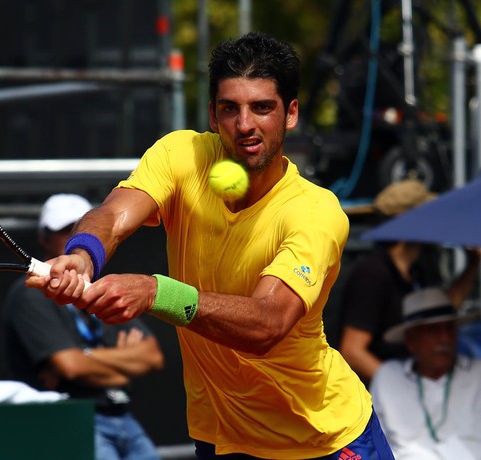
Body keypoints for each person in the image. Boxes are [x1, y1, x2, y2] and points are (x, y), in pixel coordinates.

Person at [26, 32, 394, 459]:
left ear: (290, 114)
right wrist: (82, 254)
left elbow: (267, 324)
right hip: (223, 437)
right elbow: (113, 213)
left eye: (262, 108)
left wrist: (156, 291)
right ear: (212, 114)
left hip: (324, 439)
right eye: (229, 109)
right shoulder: (180, 154)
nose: (244, 125)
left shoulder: (315, 212)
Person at [3, 193, 164, 460]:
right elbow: (71, 365)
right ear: (44, 238)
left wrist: (87, 361)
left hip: (123, 416)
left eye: (80, 230)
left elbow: (151, 355)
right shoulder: (29, 294)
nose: (75, 241)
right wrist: (119, 367)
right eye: (67, 231)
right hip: (69, 423)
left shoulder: (96, 288)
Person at [339, 179, 481, 384]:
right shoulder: (372, 273)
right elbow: (352, 351)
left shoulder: (417, 269)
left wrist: (474, 262)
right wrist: (401, 390)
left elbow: (443, 312)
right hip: (379, 401)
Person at [369, 287, 481, 459]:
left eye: (449, 328)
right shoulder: (388, 377)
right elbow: (374, 444)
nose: (444, 338)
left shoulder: (477, 374)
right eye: (433, 330)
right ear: (411, 340)